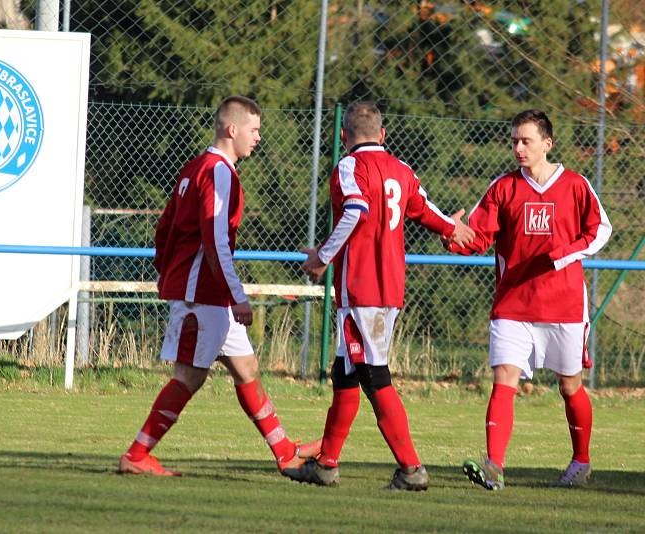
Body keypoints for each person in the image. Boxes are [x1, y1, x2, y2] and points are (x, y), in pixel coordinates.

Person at [118, 96, 320, 477]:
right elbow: (215, 239)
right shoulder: (219, 171)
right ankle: (136, 455)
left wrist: (167, 270)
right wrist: (237, 296)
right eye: (254, 130)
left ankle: (284, 452)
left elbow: (165, 229)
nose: (258, 138)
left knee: (246, 368)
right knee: (189, 377)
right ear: (232, 129)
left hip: (202, 291)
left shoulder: (195, 167)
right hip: (204, 294)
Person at [285, 101, 474, 490]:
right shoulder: (401, 169)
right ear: (383, 135)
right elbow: (423, 207)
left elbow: (355, 209)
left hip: (362, 288)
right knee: (345, 372)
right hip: (390, 287)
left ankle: (411, 470)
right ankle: (326, 465)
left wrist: (322, 256)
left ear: (343, 136)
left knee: (372, 375)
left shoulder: (349, 167)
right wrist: (450, 229)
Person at [446, 109, 612, 490]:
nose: (519, 148)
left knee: (570, 385)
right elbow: (479, 237)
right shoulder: (503, 187)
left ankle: (581, 461)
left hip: (564, 305)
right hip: (514, 304)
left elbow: (601, 228)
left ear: (547, 144)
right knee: (504, 378)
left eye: (527, 141)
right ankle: (494, 467)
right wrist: (454, 234)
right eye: (515, 141)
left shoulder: (574, 184)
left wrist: (566, 253)